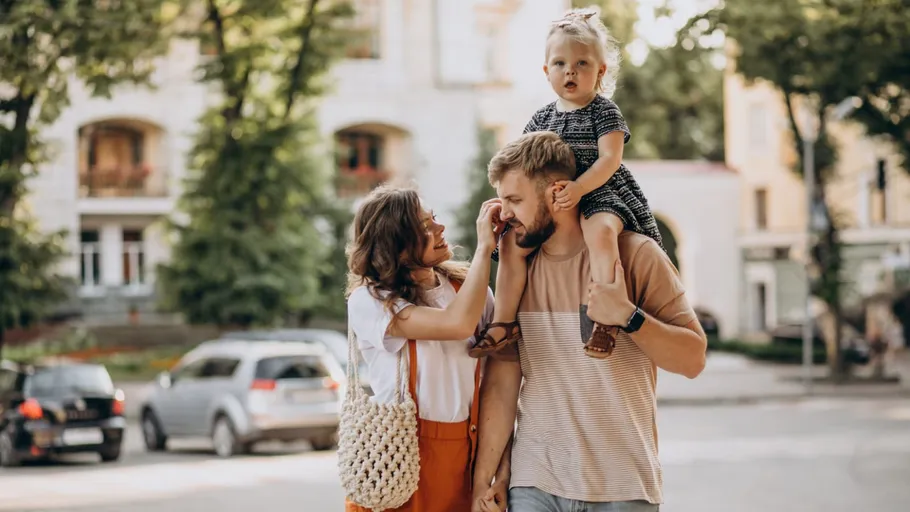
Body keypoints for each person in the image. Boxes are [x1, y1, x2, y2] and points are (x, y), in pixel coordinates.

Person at [472, 132, 707, 512]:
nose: (506, 213)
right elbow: (501, 385)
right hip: (535, 482)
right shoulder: (515, 272)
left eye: (515, 200)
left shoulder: (636, 255)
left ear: (556, 193)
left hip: (622, 487)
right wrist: (482, 482)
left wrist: (629, 318)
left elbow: (693, 360)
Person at [470, 7, 664, 361]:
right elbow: (521, 166)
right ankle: (503, 322)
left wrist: (579, 188)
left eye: (582, 64)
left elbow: (610, 159)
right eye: (559, 63)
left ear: (600, 71)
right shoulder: (541, 118)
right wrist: (510, 203)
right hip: (550, 198)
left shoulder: (603, 111)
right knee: (512, 246)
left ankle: (603, 317)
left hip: (598, 190)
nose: (570, 71)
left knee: (601, 234)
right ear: (547, 72)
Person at [344, 186, 503, 512]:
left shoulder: (469, 291)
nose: (440, 229)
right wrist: (485, 247)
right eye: (425, 227)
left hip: (464, 455)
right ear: (397, 246)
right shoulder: (371, 300)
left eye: (435, 219)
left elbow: (498, 377)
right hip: (398, 457)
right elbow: (455, 325)